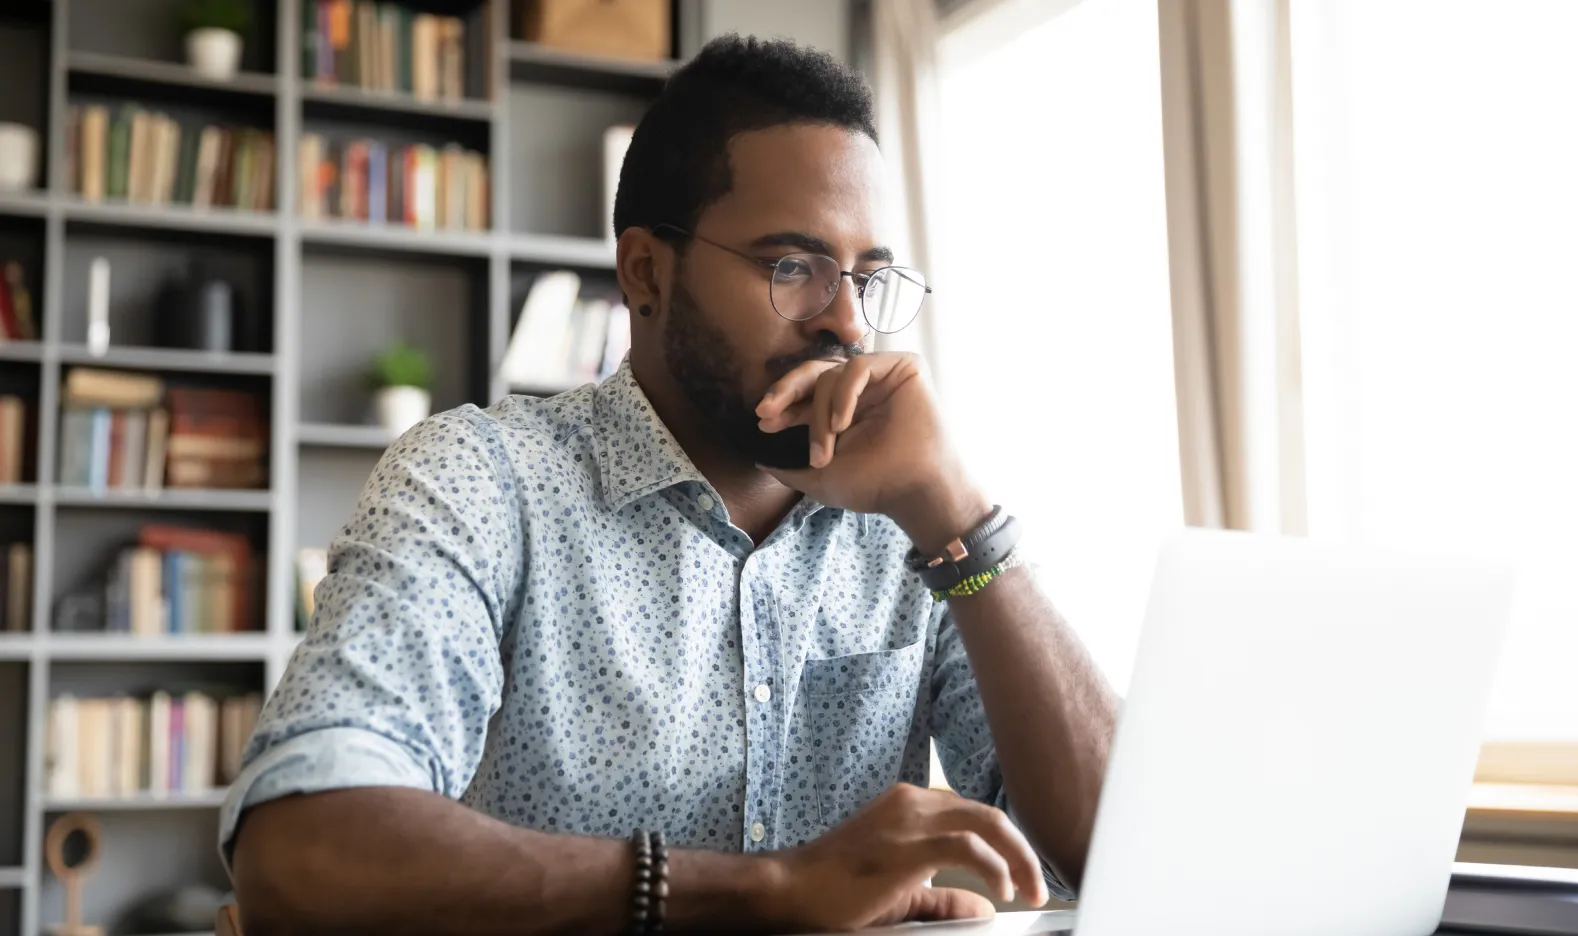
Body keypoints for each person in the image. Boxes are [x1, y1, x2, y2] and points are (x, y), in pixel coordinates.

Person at [224, 34, 1118, 936]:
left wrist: (958, 516)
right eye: (792, 268)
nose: (849, 321)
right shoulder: (483, 481)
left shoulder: (912, 521)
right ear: (646, 271)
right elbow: (303, 846)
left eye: (869, 277)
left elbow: (1120, 849)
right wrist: (768, 894)